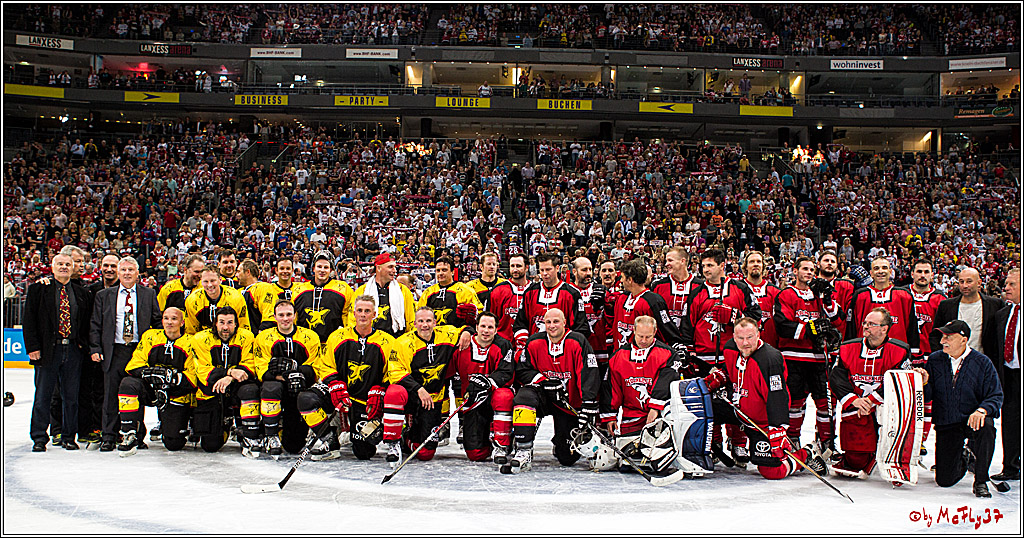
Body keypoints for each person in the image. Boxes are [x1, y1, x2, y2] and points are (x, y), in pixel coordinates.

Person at [705, 317, 827, 479]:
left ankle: (807, 453)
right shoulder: (730, 349)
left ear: (758, 335)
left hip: (759, 421)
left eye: (750, 337)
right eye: (740, 338)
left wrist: (777, 429)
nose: (745, 343)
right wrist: (720, 376)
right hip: (736, 409)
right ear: (734, 337)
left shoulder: (770, 359)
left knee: (772, 472)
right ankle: (704, 450)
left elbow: (778, 396)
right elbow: (731, 368)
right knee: (702, 407)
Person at [298, 294, 395, 461]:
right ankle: (330, 440)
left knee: (364, 452)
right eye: (359, 310)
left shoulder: (388, 341)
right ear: (353, 313)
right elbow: (325, 365)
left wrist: (381, 390)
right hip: (339, 392)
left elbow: (393, 371)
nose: (363, 314)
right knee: (306, 399)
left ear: (375, 314)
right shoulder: (337, 337)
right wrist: (335, 385)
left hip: (365, 400)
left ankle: (352, 428)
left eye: (367, 311)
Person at [505, 308, 600, 474]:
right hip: (543, 398)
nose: (551, 326)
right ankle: (523, 450)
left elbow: (589, 373)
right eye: (548, 322)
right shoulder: (534, 342)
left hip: (567, 402)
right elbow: (522, 370)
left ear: (564, 323)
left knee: (567, 458)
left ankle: (560, 442)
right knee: (524, 397)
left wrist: (588, 404)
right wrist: (544, 382)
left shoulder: (578, 341)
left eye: (556, 322)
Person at [914, 320, 1003, 498]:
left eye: (948, 337)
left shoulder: (982, 362)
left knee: (986, 427)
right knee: (945, 481)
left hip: (973, 419)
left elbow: (996, 396)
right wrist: (923, 383)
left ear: (964, 339)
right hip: (947, 421)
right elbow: (928, 396)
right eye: (942, 337)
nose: (942, 341)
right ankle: (965, 456)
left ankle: (981, 480)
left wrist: (982, 410)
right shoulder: (935, 359)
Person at [381, 307, 471, 467]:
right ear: (414, 323)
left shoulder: (447, 334)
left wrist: (467, 332)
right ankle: (393, 443)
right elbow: (395, 372)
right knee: (394, 392)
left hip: (432, 400)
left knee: (425, 453)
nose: (425, 325)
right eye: (421, 321)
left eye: (428, 321)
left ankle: (407, 438)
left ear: (435, 322)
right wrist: (418, 389)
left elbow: (464, 328)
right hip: (411, 396)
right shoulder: (402, 342)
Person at [829, 307, 912, 479]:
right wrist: (854, 400)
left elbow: (900, 381)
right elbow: (837, 377)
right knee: (855, 461)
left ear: (884, 328)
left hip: (886, 405)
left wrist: (872, 400)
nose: (866, 326)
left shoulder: (900, 350)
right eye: (865, 323)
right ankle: (860, 455)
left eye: (872, 324)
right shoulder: (847, 348)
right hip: (857, 406)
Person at [90, 257, 161, 451]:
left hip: (139, 351)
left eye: (131, 270)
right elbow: (96, 324)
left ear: (138, 273)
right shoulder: (105, 295)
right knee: (111, 394)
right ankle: (109, 436)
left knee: (135, 393)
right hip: (115, 351)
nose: (127, 273)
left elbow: (156, 323)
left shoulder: (148, 294)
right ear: (119, 273)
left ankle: (136, 435)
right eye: (124, 270)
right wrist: (95, 348)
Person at [24, 253, 93, 451]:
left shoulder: (81, 293)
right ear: (52, 268)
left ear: (73, 269)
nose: (64, 267)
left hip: (73, 350)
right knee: (43, 396)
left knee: (71, 396)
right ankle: (39, 437)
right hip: (48, 350)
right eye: (60, 264)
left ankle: (69, 436)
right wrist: (33, 348)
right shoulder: (39, 289)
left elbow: (86, 323)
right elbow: (29, 320)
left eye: (67, 264)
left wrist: (83, 347)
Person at [774, 256, 842, 449]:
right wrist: (810, 329)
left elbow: (837, 320)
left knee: (824, 402)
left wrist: (828, 300)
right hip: (794, 358)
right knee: (795, 401)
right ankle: (793, 439)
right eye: (805, 269)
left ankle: (826, 441)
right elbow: (782, 325)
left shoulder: (819, 295)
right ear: (795, 271)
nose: (809, 273)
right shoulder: (786, 294)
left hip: (820, 359)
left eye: (812, 269)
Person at [116, 307, 198, 457]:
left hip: (175, 394)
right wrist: (150, 373)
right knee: (128, 384)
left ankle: (185, 423)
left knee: (174, 444)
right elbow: (134, 365)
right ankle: (130, 433)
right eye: (166, 318)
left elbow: (193, 377)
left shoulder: (191, 342)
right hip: (152, 389)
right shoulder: (150, 336)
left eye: (174, 319)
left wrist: (171, 378)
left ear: (182, 322)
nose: (169, 322)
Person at [252, 299, 325, 457]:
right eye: (281, 315)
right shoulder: (263, 338)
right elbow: (261, 370)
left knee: (293, 446)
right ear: (275, 317)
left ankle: (308, 431)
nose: (285, 318)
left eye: (289, 314)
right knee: (271, 387)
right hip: (276, 389)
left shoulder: (310, 336)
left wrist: (295, 372)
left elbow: (315, 368)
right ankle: (271, 435)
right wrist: (287, 376)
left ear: (295, 315)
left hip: (298, 389)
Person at [453, 312, 516, 463]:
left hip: (493, 399)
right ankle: (486, 440)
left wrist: (487, 383)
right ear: (476, 328)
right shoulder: (462, 345)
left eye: (490, 327)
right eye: (483, 326)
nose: (486, 331)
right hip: (473, 402)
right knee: (476, 454)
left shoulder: (503, 345)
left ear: (496, 330)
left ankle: (502, 442)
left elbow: (506, 373)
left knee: (504, 396)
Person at [681, 248, 762, 366]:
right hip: (703, 358)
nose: (706, 270)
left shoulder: (741, 289)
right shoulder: (695, 293)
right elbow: (687, 326)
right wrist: (690, 354)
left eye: (710, 265)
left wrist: (736, 316)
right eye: (703, 266)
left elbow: (756, 318)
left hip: (734, 355)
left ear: (722, 265)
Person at [605, 316, 679, 441]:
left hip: (661, 414)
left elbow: (666, 382)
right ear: (633, 330)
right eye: (640, 336)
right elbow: (612, 387)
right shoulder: (618, 356)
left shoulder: (668, 354)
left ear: (655, 332)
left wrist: (655, 407)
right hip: (631, 415)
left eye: (648, 337)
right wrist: (610, 416)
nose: (644, 340)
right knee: (630, 453)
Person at [931, 267, 1005, 369]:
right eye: (961, 282)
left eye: (969, 281)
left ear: (979, 283)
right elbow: (935, 335)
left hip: (983, 364)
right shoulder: (946, 306)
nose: (965, 285)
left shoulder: (995, 305)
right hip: (952, 364)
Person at [513, 252, 589, 349]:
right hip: (535, 350)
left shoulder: (572, 293)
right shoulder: (530, 292)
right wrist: (525, 344)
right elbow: (520, 322)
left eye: (548, 269)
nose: (544, 273)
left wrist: (569, 347)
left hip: (563, 351)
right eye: (541, 270)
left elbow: (581, 326)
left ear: (557, 268)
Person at [910, 258, 946, 453]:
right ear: (912, 273)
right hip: (907, 355)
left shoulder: (940, 299)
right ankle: (903, 437)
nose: (922, 275)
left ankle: (921, 439)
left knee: (928, 399)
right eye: (919, 271)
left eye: (926, 271)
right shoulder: (903, 294)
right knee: (906, 398)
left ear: (932, 275)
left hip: (931, 356)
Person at [846, 257, 919, 354]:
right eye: (876, 268)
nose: (880, 271)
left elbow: (912, 328)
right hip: (865, 354)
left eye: (884, 268)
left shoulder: (905, 295)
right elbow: (851, 328)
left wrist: (914, 353)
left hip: (898, 353)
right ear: (871, 273)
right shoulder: (860, 295)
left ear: (890, 271)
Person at [611, 258, 682, 354]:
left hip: (645, 360)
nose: (621, 280)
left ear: (630, 280)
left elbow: (667, 331)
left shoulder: (653, 301)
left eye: (622, 277)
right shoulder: (622, 298)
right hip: (621, 358)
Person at [991, 269, 1020, 481]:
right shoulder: (1002, 314)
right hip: (1009, 375)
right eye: (1006, 284)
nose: (1006, 288)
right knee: (1010, 421)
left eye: (1011, 284)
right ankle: (1010, 466)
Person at [294, 251, 355, 342]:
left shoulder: (343, 288)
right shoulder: (299, 290)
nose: (322, 270)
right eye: (319, 267)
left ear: (331, 270)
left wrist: (348, 338)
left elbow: (349, 316)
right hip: (305, 344)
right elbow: (294, 317)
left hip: (334, 343)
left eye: (326, 267)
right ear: (313, 268)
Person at [352, 253, 415, 338]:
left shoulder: (403, 291)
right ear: (378, 268)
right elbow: (352, 319)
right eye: (390, 267)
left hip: (396, 340)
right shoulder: (361, 291)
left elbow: (411, 320)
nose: (395, 270)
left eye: (395, 267)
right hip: (370, 342)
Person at [650, 246, 703, 339]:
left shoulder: (700, 286)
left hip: (692, 345)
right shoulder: (658, 286)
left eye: (670, 260)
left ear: (682, 261)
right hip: (665, 344)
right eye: (666, 261)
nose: (666, 264)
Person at [418, 255, 483, 329]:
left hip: (458, 335)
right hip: (432, 336)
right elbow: (419, 314)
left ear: (452, 272)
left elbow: (479, 313)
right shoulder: (428, 292)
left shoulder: (465, 290)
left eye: (444, 270)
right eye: (438, 270)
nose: (440, 273)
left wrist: (474, 315)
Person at [184, 264, 250, 335]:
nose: (209, 285)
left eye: (213, 281)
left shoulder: (236, 297)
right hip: (204, 340)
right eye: (206, 281)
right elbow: (191, 332)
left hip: (231, 338)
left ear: (220, 280)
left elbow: (244, 329)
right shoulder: (193, 300)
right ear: (201, 281)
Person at [261, 257, 312, 332]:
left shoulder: (301, 288)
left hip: (298, 333)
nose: (285, 271)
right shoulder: (269, 290)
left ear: (292, 271)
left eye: (288, 268)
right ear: (276, 271)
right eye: (282, 268)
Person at [489, 253, 530, 342]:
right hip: (503, 343)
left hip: (529, 344)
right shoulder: (498, 290)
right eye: (512, 266)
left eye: (518, 266)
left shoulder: (535, 290)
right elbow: (490, 319)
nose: (515, 269)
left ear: (526, 267)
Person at [237, 259, 275, 334]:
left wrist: (261, 336)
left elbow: (269, 317)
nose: (236, 275)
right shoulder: (239, 291)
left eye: (238, 271)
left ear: (248, 272)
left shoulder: (263, 288)